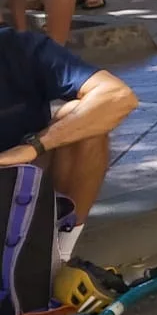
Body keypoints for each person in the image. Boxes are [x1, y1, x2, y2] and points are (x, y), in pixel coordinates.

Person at [0, 27, 140, 272]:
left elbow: (118, 96)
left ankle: (58, 260)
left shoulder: (20, 47)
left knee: (84, 121)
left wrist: (35, 146)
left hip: (21, 177)